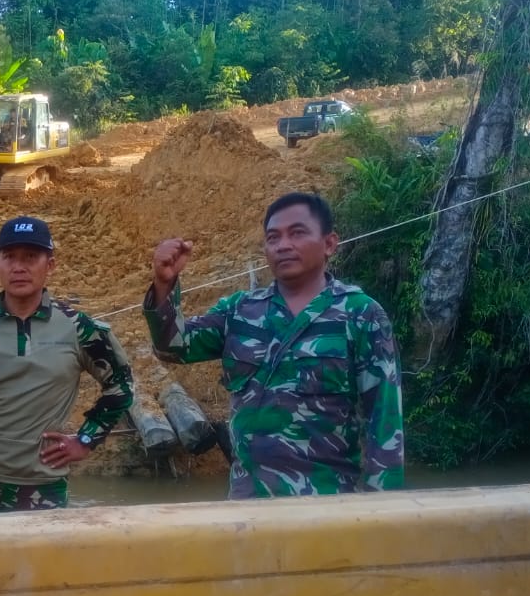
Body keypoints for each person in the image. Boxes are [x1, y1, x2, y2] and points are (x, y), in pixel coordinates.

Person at [143, 192, 404, 498]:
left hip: (329, 507)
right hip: (249, 505)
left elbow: (385, 421)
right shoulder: (238, 311)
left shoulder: (361, 314)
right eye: (273, 237)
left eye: (297, 233)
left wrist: (380, 510)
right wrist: (164, 285)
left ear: (329, 244)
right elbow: (174, 347)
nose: (283, 245)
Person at [0, 216, 134, 513]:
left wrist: (86, 439)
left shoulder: (79, 329)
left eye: (31, 257)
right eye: (9, 257)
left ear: (50, 265)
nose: (19, 267)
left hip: (43, 487)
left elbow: (122, 384)